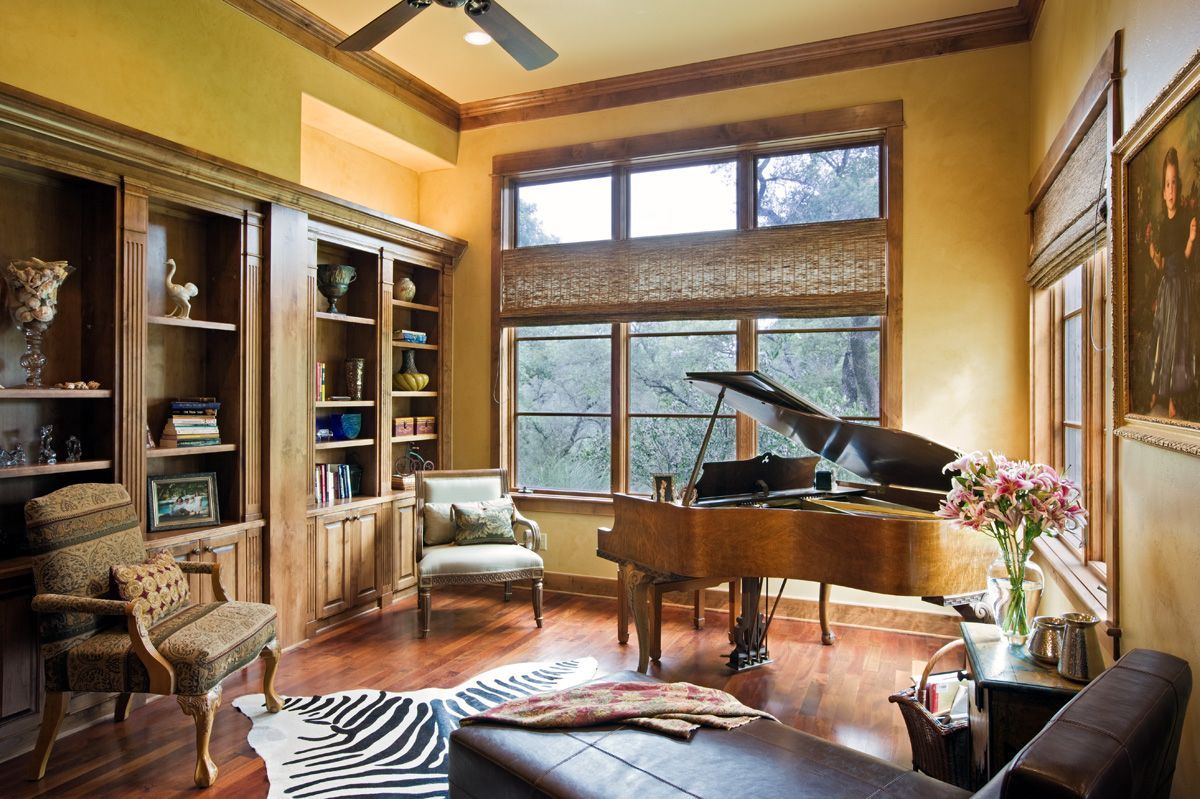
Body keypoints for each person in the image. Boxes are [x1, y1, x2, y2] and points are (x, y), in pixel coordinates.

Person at [1147, 146, 1198, 418]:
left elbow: (1186, 258)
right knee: (1162, 338)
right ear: (1163, 190)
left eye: (1175, 184)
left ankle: (1173, 398)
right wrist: (1152, 252)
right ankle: (1158, 389)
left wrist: (1190, 238)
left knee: (1176, 339)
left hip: (1179, 287)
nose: (1171, 190)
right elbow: (1161, 265)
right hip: (1166, 286)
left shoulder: (1180, 222)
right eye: (1167, 185)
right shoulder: (1163, 225)